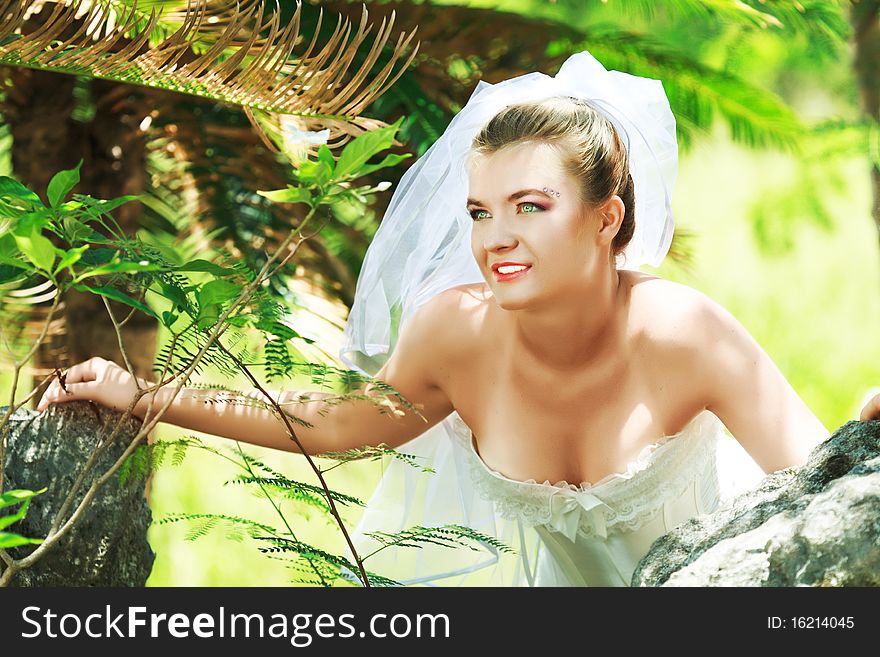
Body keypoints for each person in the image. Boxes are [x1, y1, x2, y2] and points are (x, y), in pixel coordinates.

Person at [36, 51, 880, 587]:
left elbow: (822, 468)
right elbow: (329, 424)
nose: (497, 238)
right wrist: (142, 391)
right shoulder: (455, 334)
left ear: (605, 219)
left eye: (529, 206)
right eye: (479, 212)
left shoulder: (681, 331)